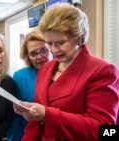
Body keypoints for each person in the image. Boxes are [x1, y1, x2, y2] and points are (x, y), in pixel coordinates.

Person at [14, 4, 119, 141]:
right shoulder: (45, 69)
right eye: (49, 44)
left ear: (80, 38)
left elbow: (104, 130)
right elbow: (35, 125)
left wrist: (47, 114)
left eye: (60, 43)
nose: (54, 50)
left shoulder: (102, 71)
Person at [6, 29, 51, 141]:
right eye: (33, 53)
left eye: (44, 50)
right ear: (27, 56)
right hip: (28, 135)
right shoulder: (20, 77)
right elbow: (16, 115)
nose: (39, 57)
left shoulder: (62, 73)